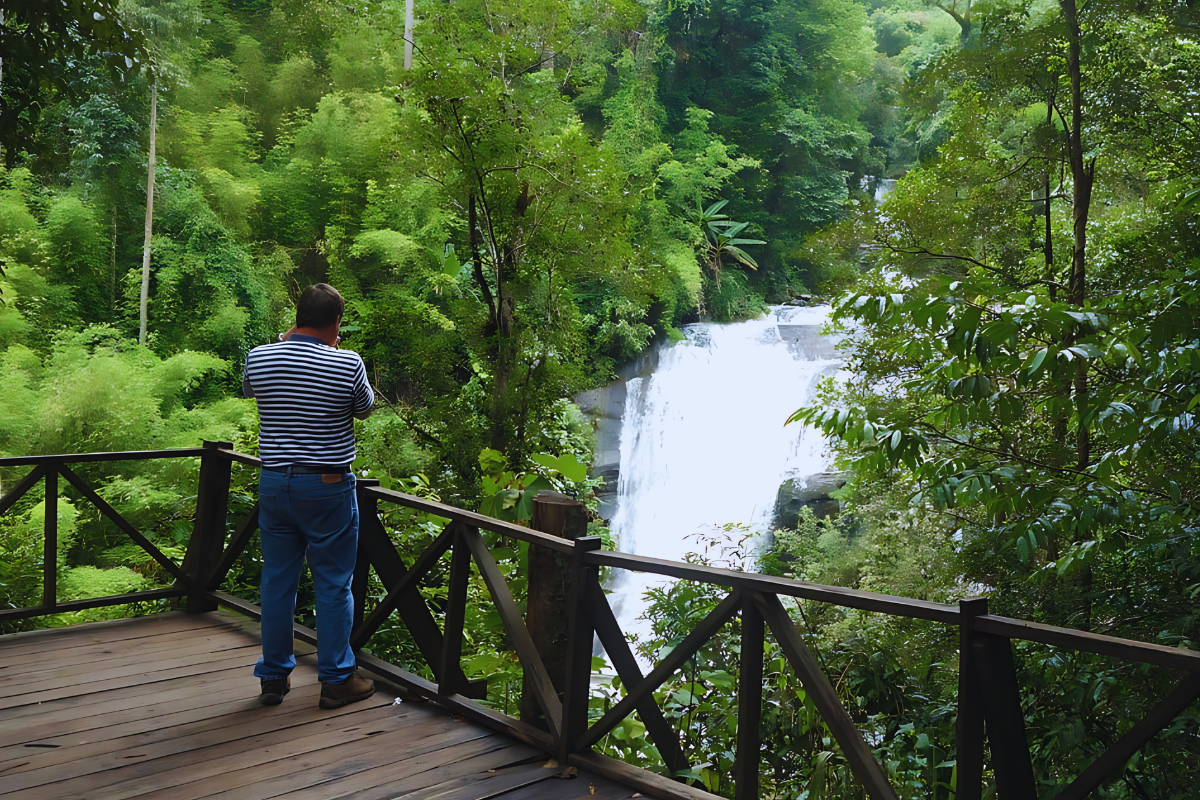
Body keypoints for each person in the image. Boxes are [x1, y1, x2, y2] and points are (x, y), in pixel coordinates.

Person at [242, 283, 377, 708]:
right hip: (327, 487)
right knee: (334, 584)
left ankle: (273, 677)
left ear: (296, 318)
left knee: (277, 581)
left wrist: (286, 343)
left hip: (274, 482)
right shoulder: (347, 362)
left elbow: (249, 390)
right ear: (337, 322)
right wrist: (334, 351)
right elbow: (365, 407)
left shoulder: (259, 357)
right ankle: (337, 679)